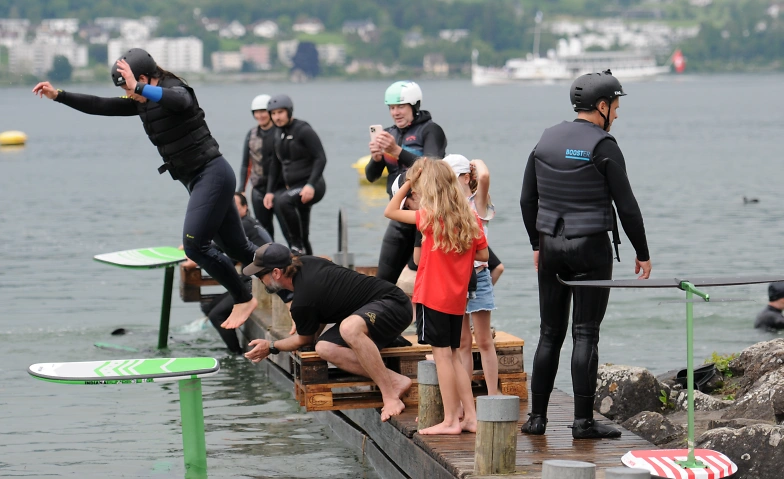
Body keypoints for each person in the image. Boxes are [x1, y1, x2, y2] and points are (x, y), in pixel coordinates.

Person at [32, 48, 259, 329]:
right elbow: (100, 105)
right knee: (238, 248)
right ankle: (298, 275)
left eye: (129, 87)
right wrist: (59, 96)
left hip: (212, 173)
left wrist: (136, 87)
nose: (128, 95)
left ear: (142, 78)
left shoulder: (173, 89)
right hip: (199, 179)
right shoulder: (140, 101)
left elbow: (180, 99)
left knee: (194, 244)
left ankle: (242, 297)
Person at [519, 69, 652, 439]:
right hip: (590, 247)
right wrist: (642, 252)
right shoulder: (603, 146)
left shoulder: (545, 140)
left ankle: (537, 419)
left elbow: (527, 199)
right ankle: (582, 422)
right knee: (585, 333)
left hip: (550, 243)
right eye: (617, 105)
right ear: (602, 106)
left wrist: (536, 243)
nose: (618, 114)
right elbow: (627, 206)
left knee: (549, 333)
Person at [243, 243, 413, 422]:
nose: (260, 280)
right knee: (324, 347)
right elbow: (320, 310)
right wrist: (306, 327)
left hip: (394, 305)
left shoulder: (302, 301)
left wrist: (271, 346)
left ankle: (390, 397)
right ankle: (395, 381)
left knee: (349, 328)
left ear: (276, 273)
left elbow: (303, 339)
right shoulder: (307, 263)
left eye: (260, 274)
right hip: (367, 314)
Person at [384, 158, 489, 435]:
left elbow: (391, 211)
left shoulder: (429, 217)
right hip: (457, 298)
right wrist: (458, 254)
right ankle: (471, 417)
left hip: (433, 297)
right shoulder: (469, 217)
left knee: (442, 357)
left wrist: (408, 181)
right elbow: (484, 255)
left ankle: (451, 419)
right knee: (454, 357)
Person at [368, 81, 447, 284]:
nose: (395, 112)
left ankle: (422, 316)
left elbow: (433, 169)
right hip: (400, 215)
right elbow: (371, 176)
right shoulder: (389, 133)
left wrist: (396, 151)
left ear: (414, 106)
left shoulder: (431, 130)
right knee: (383, 282)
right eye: (391, 108)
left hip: (426, 217)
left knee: (423, 279)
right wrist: (377, 159)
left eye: (400, 106)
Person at [183, 192, 275, 353]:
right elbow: (226, 251)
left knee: (216, 315)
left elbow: (219, 248)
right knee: (208, 305)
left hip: (259, 284)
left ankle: (236, 353)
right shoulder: (246, 223)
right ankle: (225, 335)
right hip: (251, 279)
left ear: (245, 208)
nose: (228, 209)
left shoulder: (244, 225)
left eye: (234, 206)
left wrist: (194, 256)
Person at [444, 154, 499, 396]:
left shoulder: (477, 203)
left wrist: (475, 162)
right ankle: (466, 399)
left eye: (453, 179)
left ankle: (492, 394)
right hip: (456, 279)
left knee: (485, 341)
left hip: (479, 276)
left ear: (466, 178)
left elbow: (484, 175)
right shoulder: (446, 205)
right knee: (463, 343)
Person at [263, 94, 327, 255]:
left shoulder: (303, 130)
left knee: (284, 200)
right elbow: (275, 165)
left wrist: (311, 185)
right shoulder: (277, 134)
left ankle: (295, 246)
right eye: (273, 114)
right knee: (303, 232)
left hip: (313, 185)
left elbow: (321, 158)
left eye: (280, 112)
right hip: (295, 188)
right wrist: (269, 191)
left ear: (289, 112)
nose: (277, 117)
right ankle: (307, 260)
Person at [237, 94, 289, 242]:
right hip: (259, 189)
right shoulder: (252, 134)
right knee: (264, 231)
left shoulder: (281, 132)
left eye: (263, 111)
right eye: (257, 112)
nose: (260, 115)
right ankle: (270, 260)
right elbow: (245, 164)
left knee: (287, 227)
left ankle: (295, 259)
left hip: (280, 189)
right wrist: (242, 189)